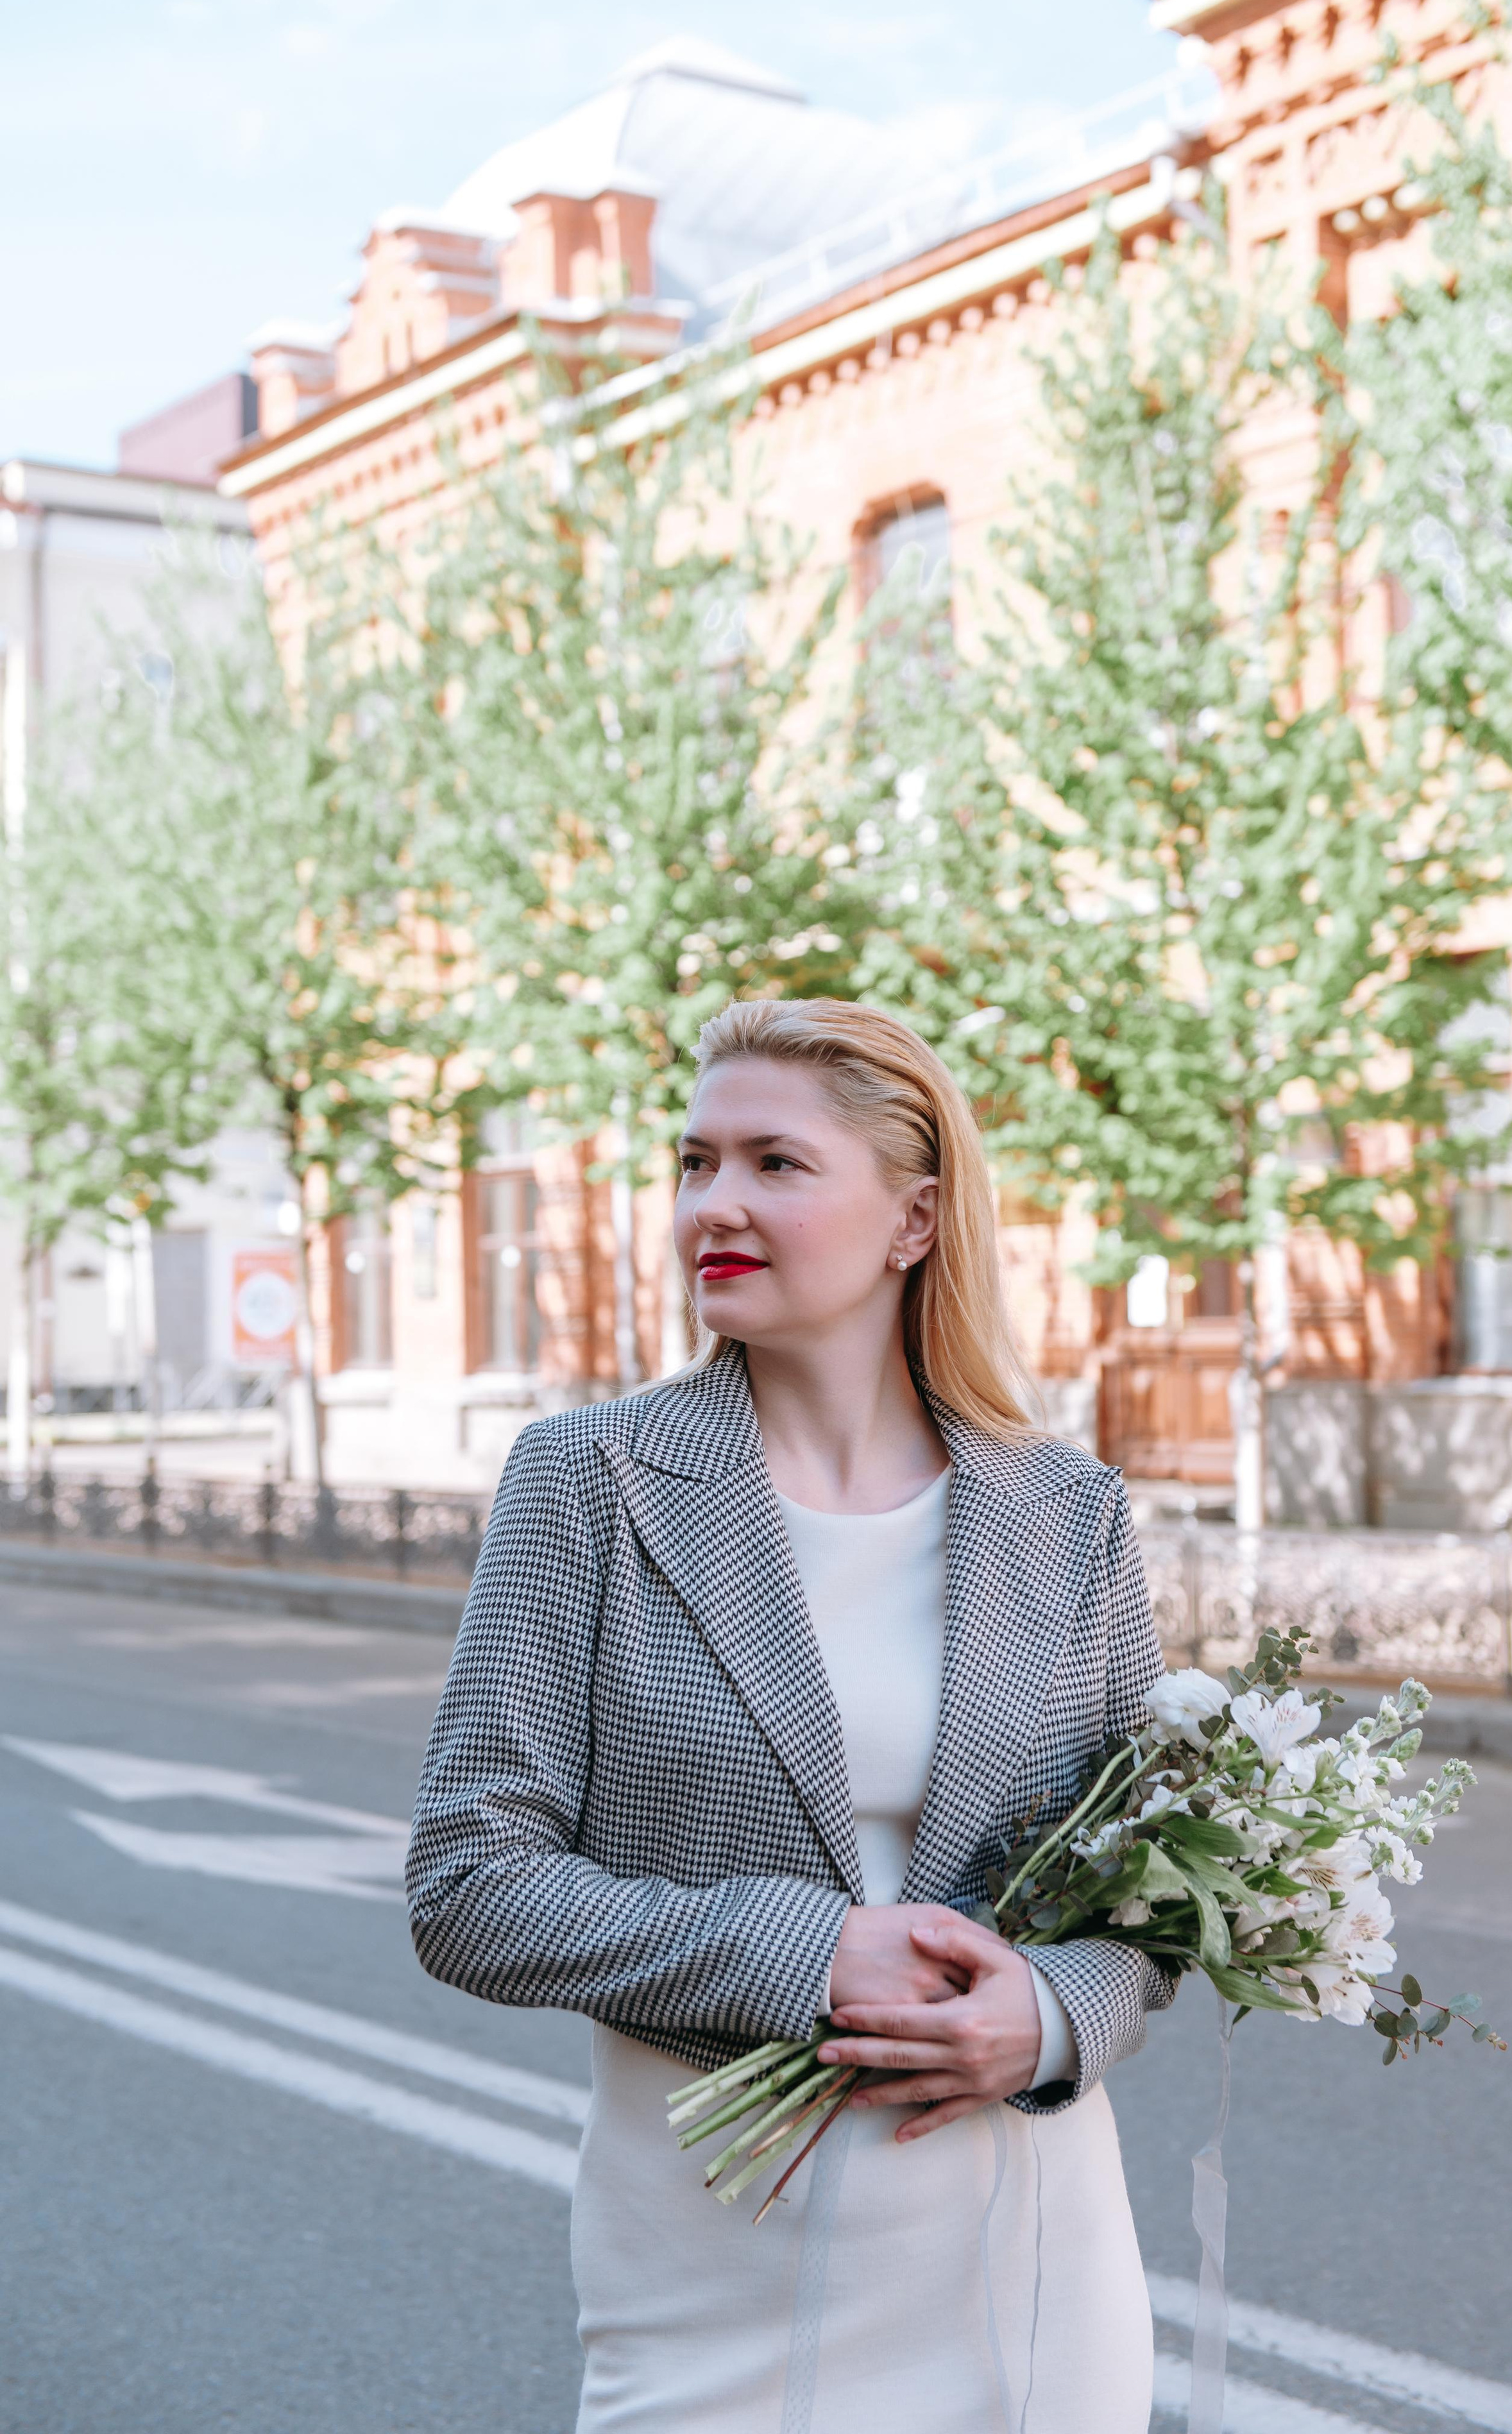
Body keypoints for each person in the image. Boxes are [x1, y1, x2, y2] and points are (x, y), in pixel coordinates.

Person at [406, 998, 1172, 2433]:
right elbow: (466, 1885)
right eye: (693, 1162)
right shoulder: (588, 1481)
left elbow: (1140, 1904)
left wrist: (1052, 2019)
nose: (713, 1204)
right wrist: (807, 1950)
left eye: (773, 1162)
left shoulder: (1065, 1514)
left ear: (913, 1218)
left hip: (1023, 2250)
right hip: (715, 2245)